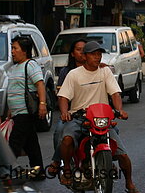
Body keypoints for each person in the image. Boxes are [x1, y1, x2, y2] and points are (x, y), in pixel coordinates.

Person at [58, 41, 139, 192]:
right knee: (67, 139)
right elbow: (63, 97)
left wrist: (119, 110)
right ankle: (67, 169)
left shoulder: (105, 72)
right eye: (93, 54)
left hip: (101, 119)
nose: (97, 57)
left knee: (123, 155)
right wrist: (64, 112)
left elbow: (115, 93)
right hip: (79, 117)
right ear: (85, 56)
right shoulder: (74, 74)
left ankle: (129, 183)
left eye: (99, 54)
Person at [6, 36, 47, 178]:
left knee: (14, 143)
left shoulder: (30, 65)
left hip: (25, 112)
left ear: (24, 51)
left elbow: (40, 84)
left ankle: (5, 171)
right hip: (17, 113)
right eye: (12, 48)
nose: (12, 51)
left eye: (15, 48)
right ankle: (39, 171)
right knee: (31, 143)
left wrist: (42, 104)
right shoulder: (14, 68)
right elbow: (13, 89)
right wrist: (10, 110)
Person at [48, 38, 87, 175]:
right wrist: (66, 112)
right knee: (59, 130)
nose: (82, 52)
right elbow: (62, 96)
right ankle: (58, 161)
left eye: (84, 49)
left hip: (91, 113)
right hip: (72, 112)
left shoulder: (97, 69)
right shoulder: (67, 72)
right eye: (78, 49)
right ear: (72, 53)